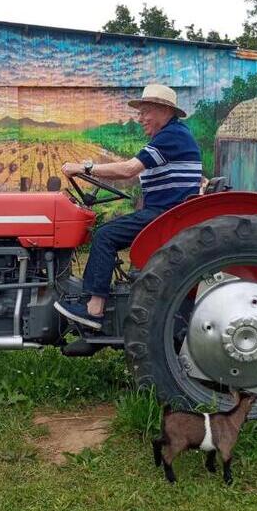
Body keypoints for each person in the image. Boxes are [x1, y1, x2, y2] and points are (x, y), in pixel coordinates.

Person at [54, 84, 202, 330]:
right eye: (140, 113)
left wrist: (85, 167)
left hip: (165, 215)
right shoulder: (172, 136)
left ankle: (94, 309)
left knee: (104, 235)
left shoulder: (170, 136)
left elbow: (128, 169)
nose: (140, 118)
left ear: (165, 110)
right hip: (167, 211)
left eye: (146, 112)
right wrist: (101, 177)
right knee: (108, 233)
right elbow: (132, 172)